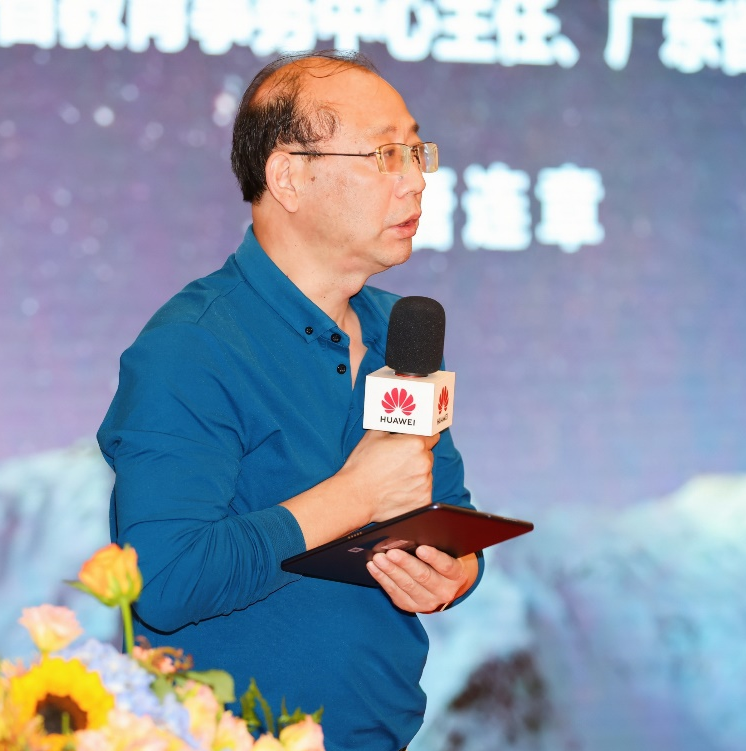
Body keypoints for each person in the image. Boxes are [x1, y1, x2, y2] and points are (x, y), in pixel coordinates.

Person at [97, 51, 483, 751]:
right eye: (384, 155)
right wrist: (356, 496)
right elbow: (166, 578)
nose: (415, 179)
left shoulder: (401, 333)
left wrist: (455, 571)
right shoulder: (193, 346)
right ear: (289, 177)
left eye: (416, 151)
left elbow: (445, 510)